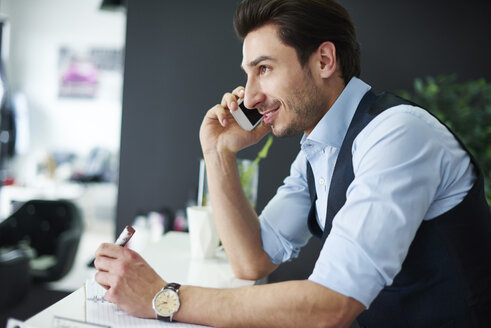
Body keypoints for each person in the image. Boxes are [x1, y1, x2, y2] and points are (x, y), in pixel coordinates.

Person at [94, 0, 491, 327]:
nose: (248, 98)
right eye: (248, 75)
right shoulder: (318, 150)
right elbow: (251, 259)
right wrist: (218, 152)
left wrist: (164, 298)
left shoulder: (397, 135)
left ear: (323, 61)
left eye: (264, 69)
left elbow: (332, 303)